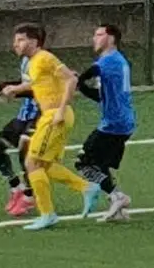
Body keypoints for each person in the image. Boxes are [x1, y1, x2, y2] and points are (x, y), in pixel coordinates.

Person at [12, 23, 94, 232]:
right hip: (50, 116)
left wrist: (60, 108)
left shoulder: (45, 57)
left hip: (55, 115)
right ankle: (86, 187)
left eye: (20, 40)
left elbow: (71, 78)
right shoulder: (33, 63)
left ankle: (47, 214)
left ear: (33, 41)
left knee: (32, 162)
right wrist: (15, 88)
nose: (16, 44)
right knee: (44, 165)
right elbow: (38, 84)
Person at [76, 22, 135, 223]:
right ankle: (117, 207)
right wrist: (80, 86)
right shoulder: (114, 62)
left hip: (114, 123)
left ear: (110, 38)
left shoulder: (109, 61)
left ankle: (118, 196)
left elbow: (87, 74)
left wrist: (73, 79)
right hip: (119, 121)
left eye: (99, 34)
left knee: (83, 161)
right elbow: (100, 95)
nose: (95, 38)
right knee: (101, 164)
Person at [0, 54, 42, 218]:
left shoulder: (42, 62)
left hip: (40, 116)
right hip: (23, 116)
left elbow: (41, 89)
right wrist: (6, 86)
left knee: (25, 154)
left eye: (21, 39)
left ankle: (29, 196)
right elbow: (26, 84)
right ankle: (15, 187)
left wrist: (14, 91)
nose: (16, 44)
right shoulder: (26, 61)